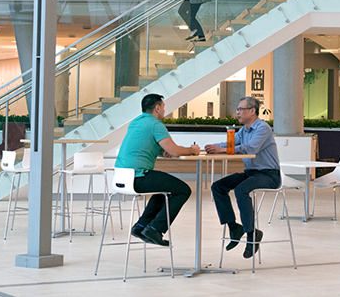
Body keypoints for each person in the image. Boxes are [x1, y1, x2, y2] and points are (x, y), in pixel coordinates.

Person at [115, 93, 200, 246]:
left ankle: (140, 226)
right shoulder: (156, 124)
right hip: (138, 177)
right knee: (183, 190)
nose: (164, 110)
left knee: (165, 191)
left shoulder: (135, 122)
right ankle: (155, 229)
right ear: (157, 107)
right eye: (163, 107)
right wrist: (193, 150)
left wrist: (162, 151)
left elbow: (144, 144)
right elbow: (175, 151)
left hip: (121, 177)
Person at [205, 96, 281, 259]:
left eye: (241, 109)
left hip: (269, 175)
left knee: (241, 190)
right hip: (252, 173)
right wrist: (215, 147)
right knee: (218, 187)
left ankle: (251, 234)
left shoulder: (262, 128)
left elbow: (250, 147)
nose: (237, 112)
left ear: (252, 111)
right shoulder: (244, 130)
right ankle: (234, 227)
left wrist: (221, 150)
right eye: (238, 109)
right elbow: (231, 144)